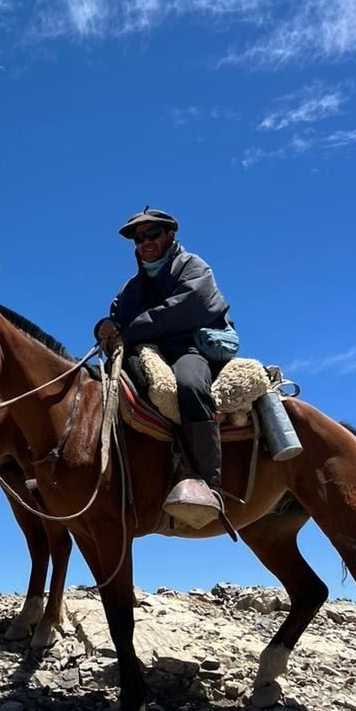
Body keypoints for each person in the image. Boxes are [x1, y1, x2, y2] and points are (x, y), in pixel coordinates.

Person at [94, 208, 238, 527]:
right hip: (150, 350)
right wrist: (103, 327)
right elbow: (118, 316)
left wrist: (129, 330)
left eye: (151, 235)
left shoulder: (193, 267)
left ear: (169, 235)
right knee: (108, 383)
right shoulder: (133, 287)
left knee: (189, 384)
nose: (144, 242)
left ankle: (207, 482)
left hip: (190, 348)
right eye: (138, 238)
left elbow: (183, 309)